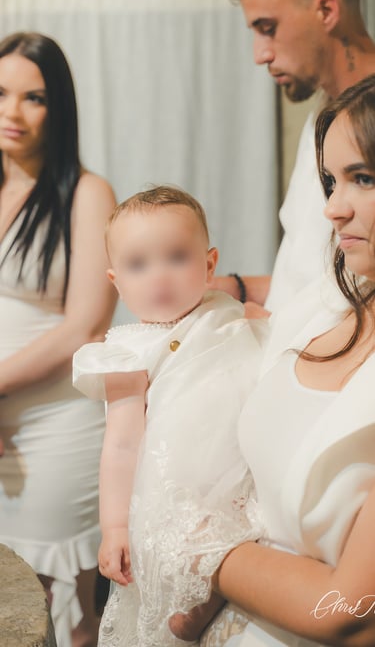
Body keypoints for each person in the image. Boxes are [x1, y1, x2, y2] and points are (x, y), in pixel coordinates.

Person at [184, 75, 375, 647]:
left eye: (363, 178)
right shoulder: (323, 304)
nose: (333, 208)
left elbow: (351, 612)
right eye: (331, 182)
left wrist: (203, 547)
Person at [72, 185, 266, 647]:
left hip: (246, 471)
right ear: (116, 281)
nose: (159, 277)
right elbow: (121, 445)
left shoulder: (228, 313)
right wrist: (114, 527)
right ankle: (189, 615)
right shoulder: (128, 353)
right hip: (177, 492)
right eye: (139, 265)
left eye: (177, 257)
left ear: (210, 265)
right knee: (182, 579)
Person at [0, 32, 117, 647]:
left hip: (55, 426)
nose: (12, 112)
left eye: (34, 97)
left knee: (64, 606)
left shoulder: (87, 193)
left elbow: (86, 326)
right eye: (0, 93)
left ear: (59, 108)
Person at [213, 0, 375, 317]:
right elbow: (312, 281)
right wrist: (230, 288)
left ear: (326, 11)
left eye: (268, 29)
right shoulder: (323, 114)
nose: (260, 54)